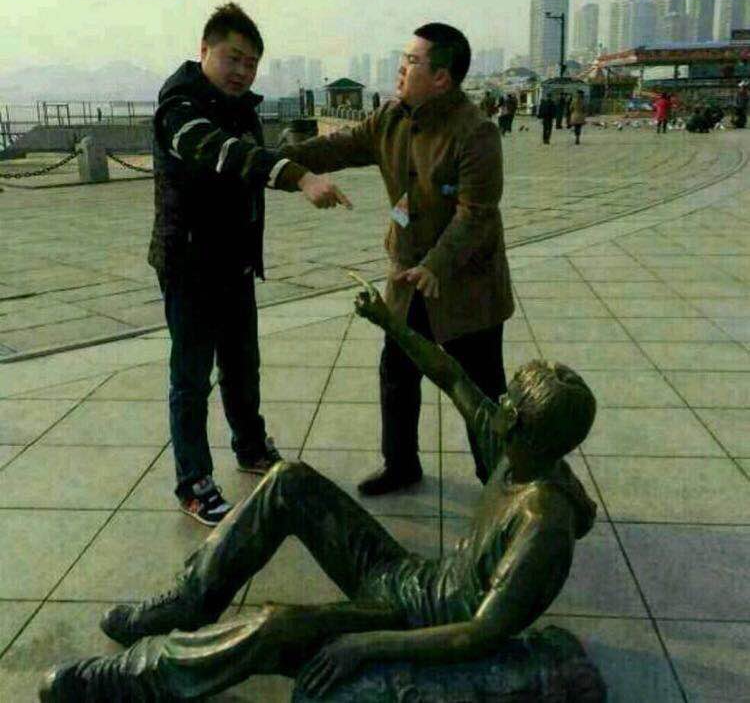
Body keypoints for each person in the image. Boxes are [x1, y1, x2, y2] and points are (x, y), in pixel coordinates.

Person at [38, 281, 599, 703]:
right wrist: (389, 322)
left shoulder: (542, 522)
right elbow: (451, 374)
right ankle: (190, 599)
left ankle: (142, 677)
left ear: (521, 425)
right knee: (290, 481)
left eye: (507, 403)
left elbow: (479, 633)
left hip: (414, 624)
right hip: (408, 579)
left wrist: (364, 644)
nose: (496, 403)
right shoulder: (514, 450)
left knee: (276, 625)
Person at [278, 23, 514, 495]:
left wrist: (436, 265)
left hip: (465, 283)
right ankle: (401, 464)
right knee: (397, 372)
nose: (401, 68)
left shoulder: (476, 133)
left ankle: (500, 480)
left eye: (411, 61)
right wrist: (278, 164)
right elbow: (337, 147)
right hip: (407, 275)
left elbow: (476, 214)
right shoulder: (390, 117)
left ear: (441, 77)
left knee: (480, 389)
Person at [148, 3, 351, 526]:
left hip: (234, 264)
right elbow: (223, 153)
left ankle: (251, 446)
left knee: (242, 364)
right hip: (188, 265)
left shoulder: (240, 107)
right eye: (233, 58)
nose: (242, 71)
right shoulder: (179, 107)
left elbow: (251, 163)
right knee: (191, 379)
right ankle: (193, 483)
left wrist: (303, 162)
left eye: (252, 63)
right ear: (204, 50)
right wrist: (299, 177)